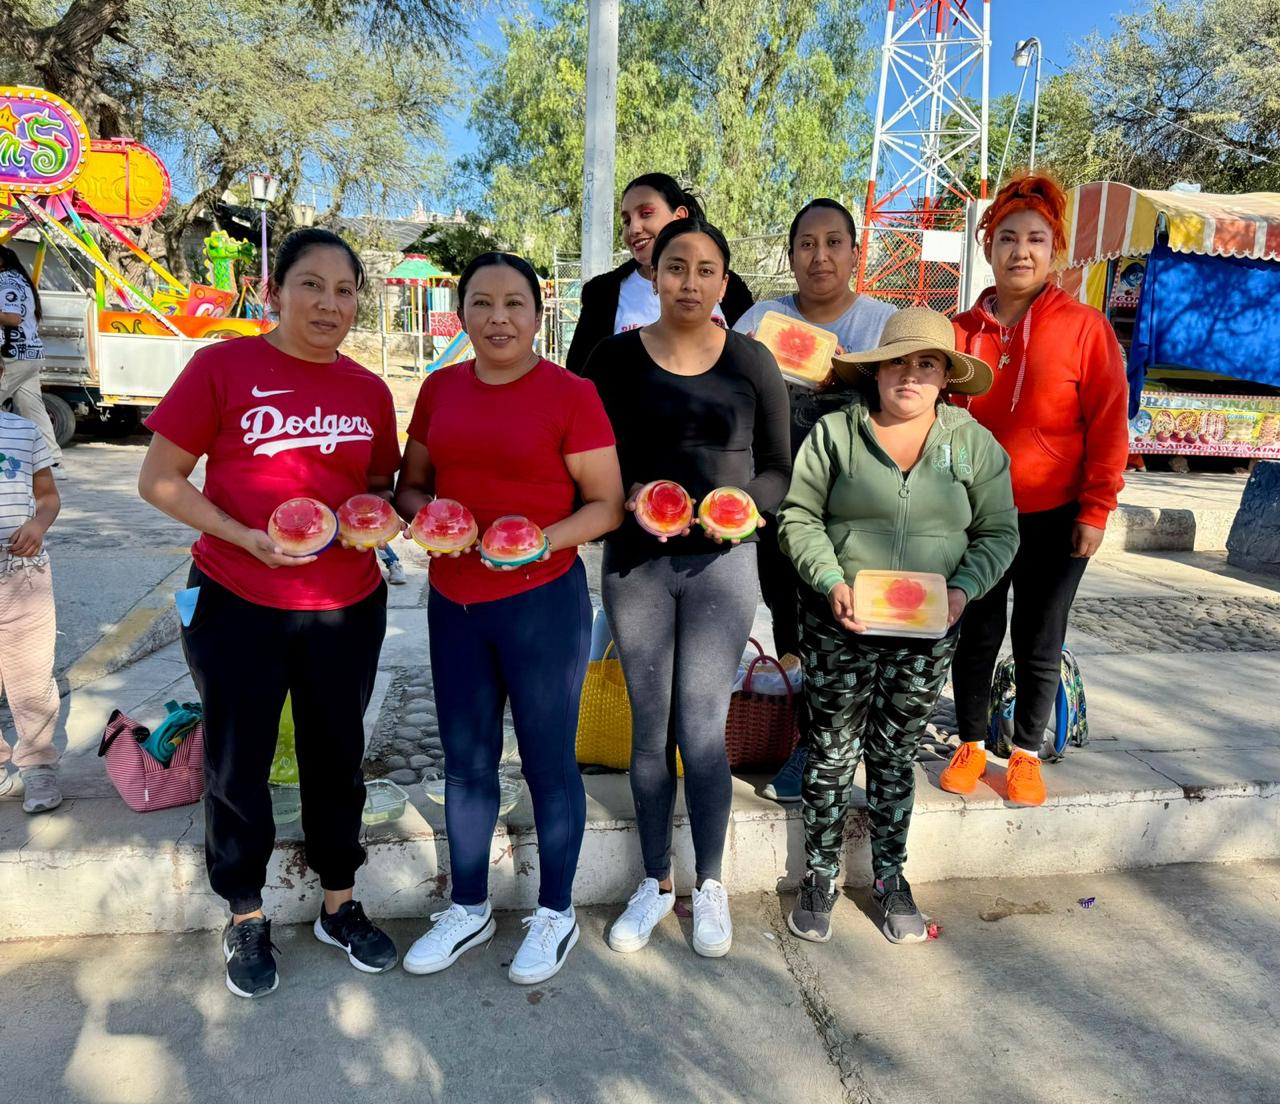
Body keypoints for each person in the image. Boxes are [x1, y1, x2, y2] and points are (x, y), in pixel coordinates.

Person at [138, 228, 402, 998]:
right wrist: (246, 537)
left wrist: (376, 520)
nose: (329, 303)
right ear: (274, 291)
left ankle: (338, 903)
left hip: (346, 606)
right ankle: (244, 913)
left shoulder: (369, 390)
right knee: (237, 761)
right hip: (236, 599)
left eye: (345, 289)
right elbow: (160, 480)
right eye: (311, 285)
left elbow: (375, 490)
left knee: (335, 757)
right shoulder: (221, 367)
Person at [396, 252, 623, 986]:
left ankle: (554, 912)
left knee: (550, 765)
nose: (498, 318)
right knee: (465, 765)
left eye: (514, 304)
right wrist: (429, 519)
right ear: (462, 311)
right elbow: (411, 488)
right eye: (482, 303)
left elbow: (606, 504)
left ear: (538, 311)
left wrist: (532, 543)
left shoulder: (572, 394)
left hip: (543, 604)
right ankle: (469, 905)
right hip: (454, 605)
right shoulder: (438, 390)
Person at [584, 217, 791, 959]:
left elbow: (776, 470)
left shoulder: (752, 363)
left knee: (701, 729)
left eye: (706, 269)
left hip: (724, 567)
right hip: (636, 564)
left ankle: (708, 885)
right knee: (648, 731)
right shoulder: (612, 361)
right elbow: (587, 460)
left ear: (725, 281)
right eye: (677, 267)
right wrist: (631, 495)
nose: (691, 282)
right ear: (655, 276)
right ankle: (652, 882)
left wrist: (739, 513)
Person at [777, 308, 1017, 945]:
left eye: (927, 364)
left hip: (928, 631)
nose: (910, 375)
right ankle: (821, 874)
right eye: (898, 362)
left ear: (945, 378)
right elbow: (798, 518)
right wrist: (831, 582)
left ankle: (889, 877)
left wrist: (964, 590)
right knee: (829, 752)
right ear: (876, 371)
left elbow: (999, 533)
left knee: (893, 755)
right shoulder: (834, 435)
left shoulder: (972, 447)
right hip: (838, 624)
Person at [943, 174, 1129, 807]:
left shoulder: (1084, 329)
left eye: (1036, 240)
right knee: (975, 630)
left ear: (1054, 252)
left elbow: (1108, 422)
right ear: (988, 246)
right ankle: (970, 743)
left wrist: (1097, 506)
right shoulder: (959, 331)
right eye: (1008, 238)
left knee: (1039, 635)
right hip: (976, 518)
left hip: (1057, 515)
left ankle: (1024, 753)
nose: (1021, 251)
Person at [733, 198, 897, 803]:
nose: (820, 256)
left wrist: (848, 377)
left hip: (856, 507)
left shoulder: (882, 325)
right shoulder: (760, 319)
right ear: (792, 252)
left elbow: (911, 406)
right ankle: (805, 733)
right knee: (788, 616)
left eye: (833, 243)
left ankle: (842, 739)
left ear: (855, 253)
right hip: (777, 499)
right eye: (807, 243)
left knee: (847, 620)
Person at [565, 173, 754, 375]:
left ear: (679, 217)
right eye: (627, 220)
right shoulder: (602, 293)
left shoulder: (730, 287)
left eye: (646, 213)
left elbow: (750, 361)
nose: (634, 229)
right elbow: (579, 375)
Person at [0, 355, 63, 813]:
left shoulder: (23, 432)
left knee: (31, 678)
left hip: (23, 577)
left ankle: (39, 768)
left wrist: (39, 526)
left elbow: (47, 498)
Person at [0, 247, 63, 473]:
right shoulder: (20, 279)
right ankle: (53, 461)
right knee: (33, 409)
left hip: (12, 355)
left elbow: (12, 317)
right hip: (30, 354)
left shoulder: (5, 281)